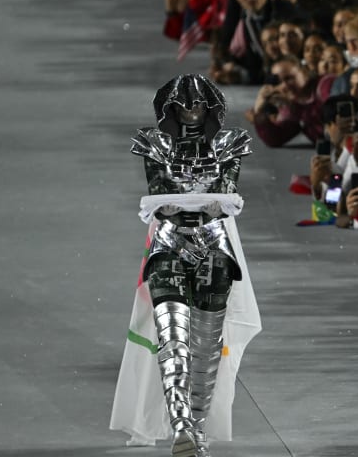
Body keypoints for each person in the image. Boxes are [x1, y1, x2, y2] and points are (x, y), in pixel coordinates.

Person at [112, 75, 260, 456]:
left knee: (207, 346)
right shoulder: (154, 142)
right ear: (170, 108)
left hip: (214, 248)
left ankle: (196, 426)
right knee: (172, 340)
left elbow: (227, 190)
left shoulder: (229, 143)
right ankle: (181, 425)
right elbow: (159, 190)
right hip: (169, 245)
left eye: (198, 105)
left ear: (211, 108)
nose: (191, 112)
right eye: (183, 105)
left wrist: (205, 204)